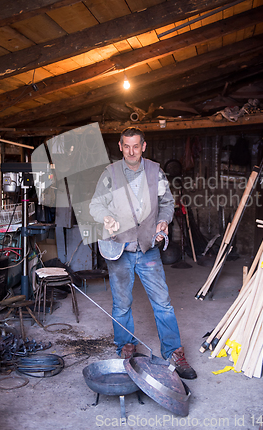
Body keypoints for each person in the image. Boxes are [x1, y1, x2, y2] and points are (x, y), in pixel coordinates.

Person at [89, 127, 196, 379]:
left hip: (147, 249)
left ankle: (173, 353)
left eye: (136, 146)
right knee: (122, 305)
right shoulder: (110, 174)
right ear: (120, 145)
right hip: (120, 248)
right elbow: (95, 204)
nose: (131, 151)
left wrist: (163, 221)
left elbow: (167, 203)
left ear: (144, 146)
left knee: (163, 304)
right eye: (126, 146)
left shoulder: (154, 171)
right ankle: (126, 348)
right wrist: (105, 217)